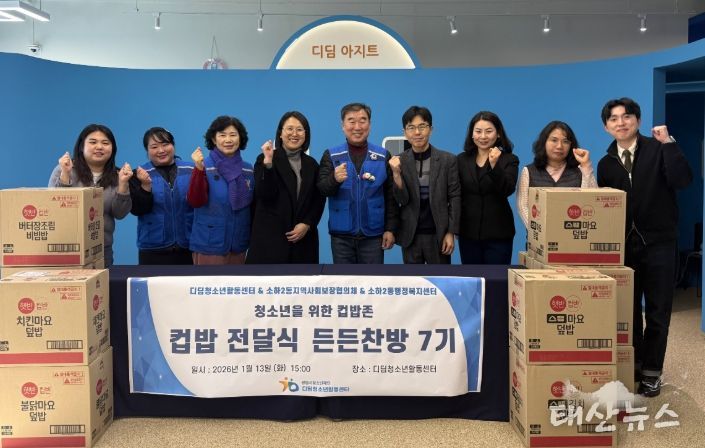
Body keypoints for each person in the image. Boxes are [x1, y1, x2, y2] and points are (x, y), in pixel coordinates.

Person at [596, 97, 692, 397]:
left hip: (660, 244)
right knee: (628, 313)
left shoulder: (659, 149)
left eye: (627, 116)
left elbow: (683, 180)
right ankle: (635, 364)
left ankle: (652, 372)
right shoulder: (605, 163)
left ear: (637, 120)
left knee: (658, 311)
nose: (621, 122)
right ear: (606, 126)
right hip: (624, 247)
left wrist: (669, 144)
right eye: (614, 118)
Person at [316, 103, 398, 264]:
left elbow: (391, 197)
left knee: (373, 279)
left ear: (370, 124)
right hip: (341, 238)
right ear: (343, 125)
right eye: (351, 121)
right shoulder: (331, 155)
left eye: (362, 120)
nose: (357, 127)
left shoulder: (382, 156)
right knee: (344, 279)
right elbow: (322, 190)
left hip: (373, 236)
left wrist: (390, 229)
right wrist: (334, 179)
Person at [48, 124, 133, 267]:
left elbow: (120, 214)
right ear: (82, 146)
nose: (99, 147)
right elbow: (54, 208)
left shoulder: (118, 175)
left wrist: (123, 184)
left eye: (105, 143)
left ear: (112, 149)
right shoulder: (64, 169)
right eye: (93, 142)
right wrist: (65, 175)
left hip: (102, 249)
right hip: (66, 247)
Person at [246, 111, 325, 264]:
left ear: (306, 134)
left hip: (302, 243)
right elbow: (264, 194)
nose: (294, 134)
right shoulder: (265, 158)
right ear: (280, 134)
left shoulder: (312, 164)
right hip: (270, 242)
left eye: (300, 129)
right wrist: (268, 164)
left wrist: (307, 224)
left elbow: (318, 199)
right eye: (289, 128)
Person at [388, 106, 461, 264]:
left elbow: (455, 197)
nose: (417, 132)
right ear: (404, 132)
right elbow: (401, 200)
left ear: (431, 129)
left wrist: (451, 232)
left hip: (439, 234)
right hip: (410, 235)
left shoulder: (448, 160)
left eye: (422, 126)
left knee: (441, 278)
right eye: (411, 127)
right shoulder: (398, 161)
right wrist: (396, 174)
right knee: (412, 279)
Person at [187, 116, 254, 265]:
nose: (228, 140)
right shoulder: (203, 165)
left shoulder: (248, 169)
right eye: (222, 135)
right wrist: (198, 169)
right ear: (213, 139)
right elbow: (195, 201)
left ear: (240, 138)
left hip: (239, 243)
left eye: (233, 135)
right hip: (209, 244)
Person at [456, 111, 519, 265]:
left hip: (499, 233)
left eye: (489, 131)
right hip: (468, 232)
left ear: (498, 133)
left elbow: (507, 189)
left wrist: (494, 165)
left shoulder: (509, 159)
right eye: (478, 131)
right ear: (472, 134)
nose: (483, 136)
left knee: (496, 277)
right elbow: (455, 194)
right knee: (471, 277)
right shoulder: (461, 160)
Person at [129, 127, 194, 265]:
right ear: (147, 150)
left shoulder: (192, 170)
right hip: (152, 249)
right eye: (154, 147)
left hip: (190, 246)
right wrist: (145, 185)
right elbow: (137, 209)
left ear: (173, 145)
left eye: (165, 144)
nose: (161, 150)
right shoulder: (139, 174)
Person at [517, 121, 597, 229]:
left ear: (571, 146)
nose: (559, 146)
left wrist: (586, 166)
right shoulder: (529, 171)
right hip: (538, 234)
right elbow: (522, 206)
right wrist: (539, 230)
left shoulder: (580, 171)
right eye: (554, 140)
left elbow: (592, 202)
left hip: (572, 234)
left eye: (565, 141)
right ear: (544, 142)